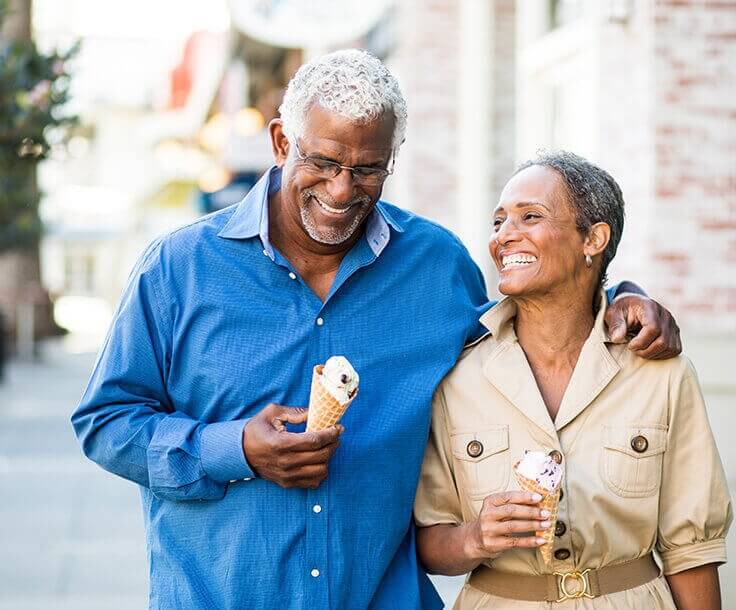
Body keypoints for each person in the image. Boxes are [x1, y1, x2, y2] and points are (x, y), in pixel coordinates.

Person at [72, 51, 681, 610]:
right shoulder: (179, 268)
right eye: (324, 162)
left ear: (393, 157)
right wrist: (234, 449)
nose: (342, 191)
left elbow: (532, 331)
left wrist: (619, 295)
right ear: (282, 141)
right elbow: (104, 422)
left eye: (368, 169)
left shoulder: (435, 266)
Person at [414, 151, 731, 609]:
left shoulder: (661, 374)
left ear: (593, 239)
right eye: (499, 221)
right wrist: (475, 538)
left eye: (531, 216)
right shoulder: (458, 376)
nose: (505, 235)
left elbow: (691, 551)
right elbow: (426, 539)